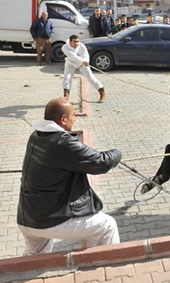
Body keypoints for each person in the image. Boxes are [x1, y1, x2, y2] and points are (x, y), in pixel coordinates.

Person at [17, 98, 121, 255]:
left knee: (31, 261)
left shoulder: (36, 135)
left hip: (27, 218)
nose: (75, 118)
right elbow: (102, 162)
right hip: (49, 221)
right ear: (63, 119)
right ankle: (113, 272)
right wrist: (117, 152)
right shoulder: (63, 143)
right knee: (108, 225)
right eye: (73, 115)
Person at [62, 35, 106, 103]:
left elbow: (86, 54)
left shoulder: (81, 45)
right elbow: (72, 56)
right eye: (74, 42)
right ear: (70, 42)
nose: (76, 43)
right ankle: (66, 96)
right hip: (71, 63)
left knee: (90, 77)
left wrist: (86, 61)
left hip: (82, 64)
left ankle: (102, 92)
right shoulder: (65, 47)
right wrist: (82, 61)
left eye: (77, 41)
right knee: (67, 77)